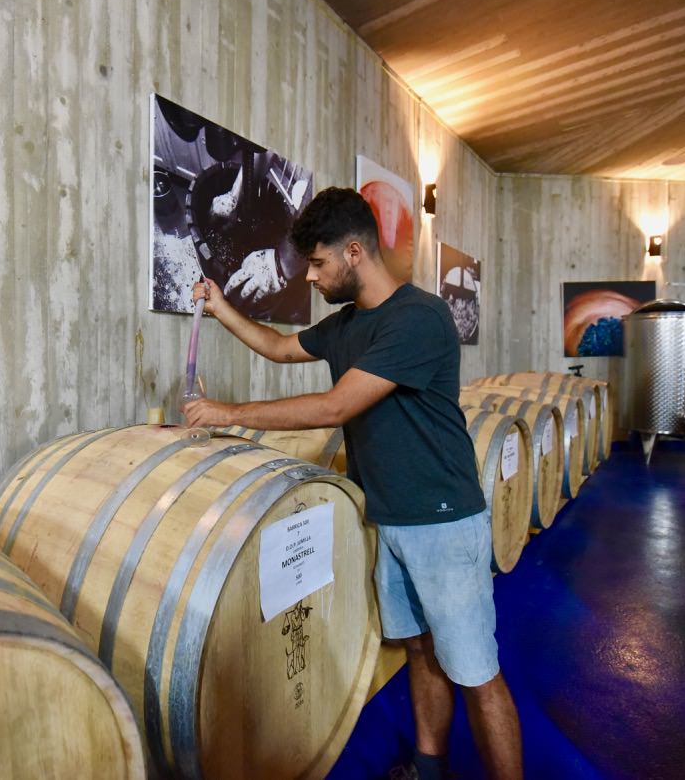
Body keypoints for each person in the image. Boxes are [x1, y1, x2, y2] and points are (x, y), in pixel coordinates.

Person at [183, 187, 523, 780]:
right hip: (389, 516)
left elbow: (338, 407)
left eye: (318, 263)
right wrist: (220, 307)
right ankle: (429, 766)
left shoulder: (418, 317)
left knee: (475, 671)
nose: (309, 276)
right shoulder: (345, 326)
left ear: (355, 252)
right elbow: (279, 348)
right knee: (420, 651)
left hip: (442, 520)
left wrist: (225, 412)